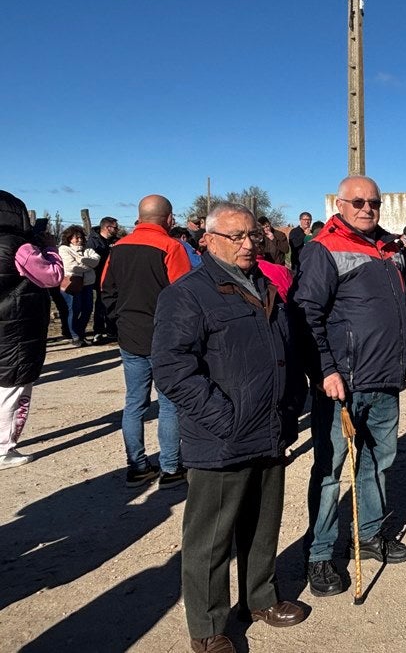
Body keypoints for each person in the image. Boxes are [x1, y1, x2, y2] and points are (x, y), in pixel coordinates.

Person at [152, 203, 307, 653]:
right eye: (236, 237)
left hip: (270, 428)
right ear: (209, 240)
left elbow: (285, 352)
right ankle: (208, 627)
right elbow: (173, 369)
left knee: (263, 523)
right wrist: (226, 418)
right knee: (211, 537)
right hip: (222, 437)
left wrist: (291, 402)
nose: (247, 244)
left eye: (253, 237)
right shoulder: (187, 294)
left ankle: (260, 599)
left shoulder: (264, 285)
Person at [296, 176, 406, 598]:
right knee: (331, 471)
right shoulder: (323, 249)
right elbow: (306, 313)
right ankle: (320, 554)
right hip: (342, 385)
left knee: (379, 464)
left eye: (374, 202)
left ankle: (369, 534)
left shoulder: (391, 248)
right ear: (341, 205)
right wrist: (325, 369)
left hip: (384, 379)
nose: (367, 208)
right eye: (358, 202)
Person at [102, 194, 191, 488]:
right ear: (168, 218)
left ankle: (137, 466)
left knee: (134, 402)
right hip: (164, 336)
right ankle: (170, 468)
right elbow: (184, 294)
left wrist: (119, 320)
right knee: (168, 404)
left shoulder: (117, 248)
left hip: (130, 335)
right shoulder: (171, 246)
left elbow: (106, 290)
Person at [0, 191, 64, 469]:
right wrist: (50, 248)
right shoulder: (18, 246)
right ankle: (4, 449)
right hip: (16, 329)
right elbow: (53, 276)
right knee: (13, 392)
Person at [58, 225, 101, 347]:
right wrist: (88, 264)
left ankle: (81, 333)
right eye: (76, 238)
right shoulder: (64, 249)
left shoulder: (88, 250)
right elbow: (71, 267)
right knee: (74, 310)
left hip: (87, 284)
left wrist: (80, 260)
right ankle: (75, 335)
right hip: (73, 284)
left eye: (81, 237)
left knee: (87, 309)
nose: (79, 240)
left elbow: (96, 261)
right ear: (69, 238)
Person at [86, 216, 119, 343]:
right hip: (99, 277)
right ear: (107, 227)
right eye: (115, 228)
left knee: (113, 304)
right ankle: (98, 331)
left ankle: (112, 329)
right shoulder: (93, 242)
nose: (117, 230)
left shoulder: (116, 241)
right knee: (101, 305)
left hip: (114, 277)